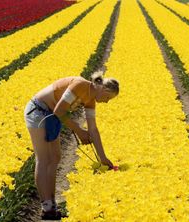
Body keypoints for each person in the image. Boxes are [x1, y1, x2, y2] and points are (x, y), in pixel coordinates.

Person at [23, 71, 119, 220]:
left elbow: (93, 129)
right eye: (107, 98)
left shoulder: (90, 101)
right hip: (38, 111)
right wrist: (79, 130)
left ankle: (52, 205)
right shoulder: (80, 84)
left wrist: (103, 158)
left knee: (55, 157)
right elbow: (59, 110)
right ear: (103, 90)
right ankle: (47, 207)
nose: (106, 102)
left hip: (50, 116)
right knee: (43, 159)